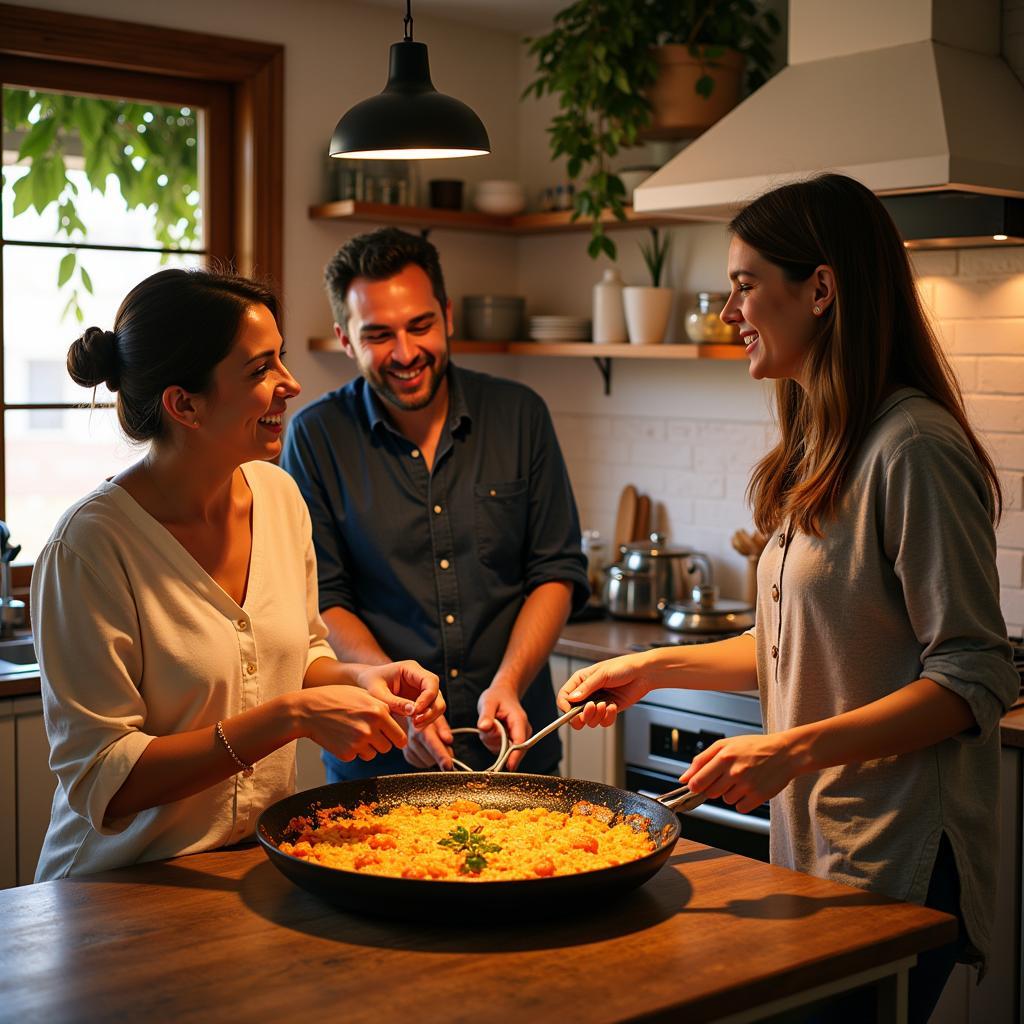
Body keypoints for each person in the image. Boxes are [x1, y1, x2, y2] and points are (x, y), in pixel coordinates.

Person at [557, 173, 1019, 1022]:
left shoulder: (912, 448)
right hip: (819, 845)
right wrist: (650, 667)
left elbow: (973, 679)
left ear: (820, 289)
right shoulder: (822, 442)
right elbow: (789, 642)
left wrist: (791, 750)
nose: (728, 311)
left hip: (897, 855)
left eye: (743, 284)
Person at [30, 268, 444, 880]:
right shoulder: (89, 548)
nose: (291, 383)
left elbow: (299, 652)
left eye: (280, 359)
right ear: (184, 404)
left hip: (247, 873)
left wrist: (361, 678)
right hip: (112, 893)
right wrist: (291, 716)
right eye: (260, 370)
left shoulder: (278, 498)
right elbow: (104, 779)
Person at [281, 228, 588, 780]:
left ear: (446, 315)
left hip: (520, 753)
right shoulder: (315, 437)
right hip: (378, 760)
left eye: (420, 325)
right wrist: (400, 700)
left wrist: (509, 682)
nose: (405, 353)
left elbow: (555, 570)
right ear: (345, 339)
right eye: (378, 334)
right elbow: (322, 597)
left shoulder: (520, 415)